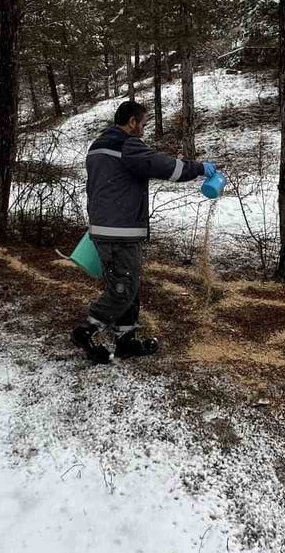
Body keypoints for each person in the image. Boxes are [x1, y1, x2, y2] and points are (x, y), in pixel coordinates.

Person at [72, 101, 218, 364]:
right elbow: (164, 166)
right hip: (119, 231)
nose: (143, 129)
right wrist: (199, 168)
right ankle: (86, 330)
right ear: (131, 122)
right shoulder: (127, 145)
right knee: (123, 289)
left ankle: (126, 340)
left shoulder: (97, 146)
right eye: (143, 123)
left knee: (128, 283)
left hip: (104, 227)